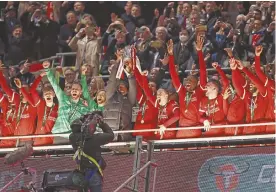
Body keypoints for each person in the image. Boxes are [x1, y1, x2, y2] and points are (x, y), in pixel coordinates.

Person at [42, 61, 101, 142]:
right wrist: (47, 69)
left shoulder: (85, 106)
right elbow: (54, 84)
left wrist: (83, 75)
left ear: (81, 92)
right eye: (73, 89)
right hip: (60, 134)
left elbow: (93, 118)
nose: (74, 90)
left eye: (76, 89)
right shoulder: (63, 98)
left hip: (77, 137)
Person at [70, 111, 114, 192]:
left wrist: (82, 119)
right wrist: (102, 124)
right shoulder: (95, 139)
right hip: (94, 174)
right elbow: (111, 135)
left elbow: (77, 129)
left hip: (80, 174)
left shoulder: (72, 138)